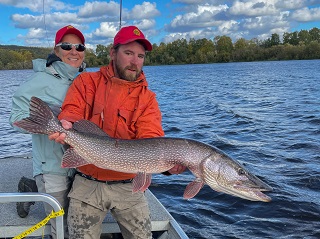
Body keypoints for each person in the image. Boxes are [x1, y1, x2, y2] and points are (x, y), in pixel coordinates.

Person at [49, 25, 186, 239]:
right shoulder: (86, 82)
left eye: (140, 56)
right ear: (113, 53)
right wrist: (66, 123)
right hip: (87, 185)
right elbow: (73, 112)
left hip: (129, 188)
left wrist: (168, 166)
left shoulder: (147, 99)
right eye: (128, 53)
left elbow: (151, 138)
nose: (135, 61)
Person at [9, 25, 86, 239]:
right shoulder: (38, 81)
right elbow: (15, 117)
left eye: (79, 47)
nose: (74, 51)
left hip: (81, 163)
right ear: (57, 50)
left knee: (80, 221)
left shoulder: (86, 81)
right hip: (52, 166)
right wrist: (50, 125)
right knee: (61, 227)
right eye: (67, 46)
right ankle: (35, 184)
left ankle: (29, 186)